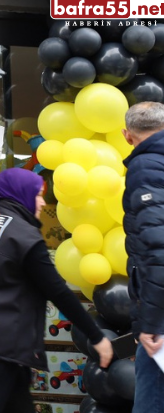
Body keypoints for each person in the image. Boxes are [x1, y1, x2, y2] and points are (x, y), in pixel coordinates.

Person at [0, 167, 113, 413]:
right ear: (21, 193)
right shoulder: (24, 237)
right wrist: (97, 336)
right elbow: (58, 292)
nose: (41, 202)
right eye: (37, 194)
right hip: (0, 346)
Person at [121, 101, 164, 412]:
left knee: (150, 399)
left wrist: (149, 322)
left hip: (160, 316)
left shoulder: (145, 166)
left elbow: (157, 250)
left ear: (127, 135)